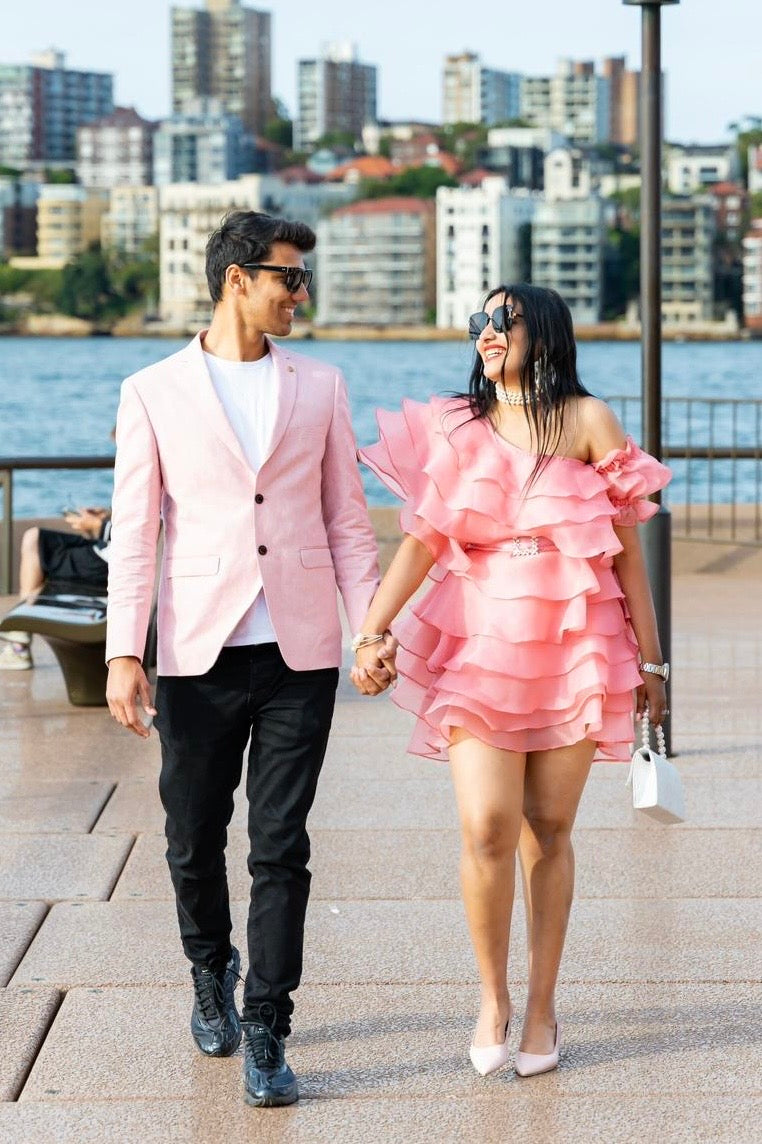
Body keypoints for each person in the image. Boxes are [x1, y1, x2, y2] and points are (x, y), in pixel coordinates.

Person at [105, 210, 394, 1108]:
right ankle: (208, 969)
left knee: (281, 846)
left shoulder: (322, 385)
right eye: (289, 278)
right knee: (192, 837)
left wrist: (369, 629)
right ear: (238, 278)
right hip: (196, 649)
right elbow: (139, 531)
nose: (301, 294)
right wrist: (125, 651)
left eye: (303, 279)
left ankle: (268, 1026)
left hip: (298, 652)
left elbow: (348, 521)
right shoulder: (152, 390)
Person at [350, 283, 671, 1079]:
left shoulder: (590, 420)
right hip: (484, 637)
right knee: (488, 825)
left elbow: (628, 551)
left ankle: (540, 1007)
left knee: (549, 831)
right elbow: (424, 540)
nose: (487, 333)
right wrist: (372, 628)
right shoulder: (459, 424)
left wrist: (654, 662)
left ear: (544, 330)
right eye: (479, 322)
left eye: (504, 319)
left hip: (576, 639)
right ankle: (491, 997)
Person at [0, 507, 111, 670]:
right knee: (35, 538)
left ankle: (19, 646)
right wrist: (106, 515)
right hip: (102, 548)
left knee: (38, 548)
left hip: (108, 561)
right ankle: (19, 642)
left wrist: (98, 526)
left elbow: (139, 534)